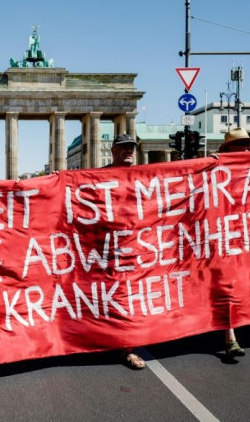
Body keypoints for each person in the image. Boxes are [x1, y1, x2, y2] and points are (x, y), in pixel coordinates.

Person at [103, 133, 146, 370]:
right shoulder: (99, 176)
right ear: (113, 150)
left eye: (131, 147)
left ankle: (127, 348)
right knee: (110, 297)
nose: (128, 151)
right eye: (123, 147)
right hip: (107, 249)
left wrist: (211, 166)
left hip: (138, 247)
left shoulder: (145, 176)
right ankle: (109, 340)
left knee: (129, 298)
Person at [215, 127, 250, 357]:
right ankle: (230, 337)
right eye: (244, 144)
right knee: (228, 287)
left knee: (244, 286)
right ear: (230, 149)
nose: (249, 148)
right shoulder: (216, 169)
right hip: (224, 238)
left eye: (249, 145)